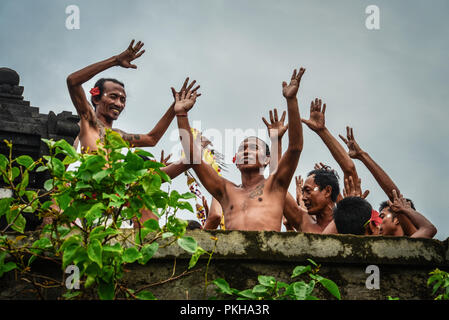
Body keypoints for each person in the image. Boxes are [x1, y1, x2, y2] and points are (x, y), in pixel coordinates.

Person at [174, 67, 305, 231]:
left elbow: (295, 148)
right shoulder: (226, 190)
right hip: (233, 256)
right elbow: (193, 157)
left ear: (267, 159)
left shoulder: (276, 185)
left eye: (253, 148)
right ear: (236, 161)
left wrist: (291, 100)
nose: (246, 152)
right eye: (242, 149)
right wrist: (181, 114)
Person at [339, 126, 417, 236]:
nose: (378, 223)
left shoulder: (414, 237)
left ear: (397, 219)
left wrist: (362, 155)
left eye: (382, 216)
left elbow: (393, 195)